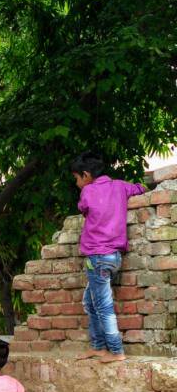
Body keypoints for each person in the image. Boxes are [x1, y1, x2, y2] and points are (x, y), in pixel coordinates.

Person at [71, 152, 147, 363]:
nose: (77, 183)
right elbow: (141, 188)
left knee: (103, 305)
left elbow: (83, 209)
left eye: (76, 178)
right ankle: (97, 346)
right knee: (90, 302)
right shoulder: (120, 186)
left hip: (97, 257)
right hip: (114, 257)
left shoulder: (87, 191)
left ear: (86, 175)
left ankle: (116, 351)